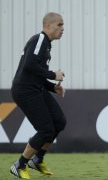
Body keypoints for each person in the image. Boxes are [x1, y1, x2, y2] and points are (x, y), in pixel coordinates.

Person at [10, 12, 66, 180]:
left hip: (37, 89)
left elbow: (34, 72)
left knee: (59, 122)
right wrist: (52, 75)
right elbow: (29, 64)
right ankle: (19, 165)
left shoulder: (47, 44)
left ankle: (37, 159)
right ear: (47, 26)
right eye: (59, 25)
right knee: (46, 130)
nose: (62, 29)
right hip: (25, 91)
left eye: (63, 25)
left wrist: (51, 87)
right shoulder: (39, 39)